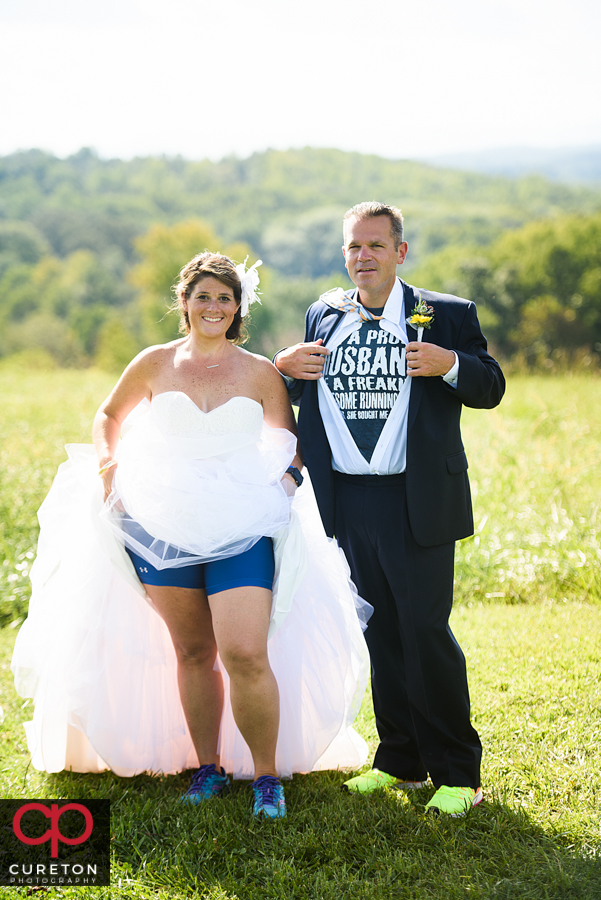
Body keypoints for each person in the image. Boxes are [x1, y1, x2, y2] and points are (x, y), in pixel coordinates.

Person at [12, 252, 370, 820]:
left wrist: (286, 481)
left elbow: (292, 439)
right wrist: (109, 468)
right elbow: (109, 415)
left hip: (242, 524)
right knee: (193, 651)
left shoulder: (258, 372)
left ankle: (267, 777)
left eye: (225, 298)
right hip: (160, 524)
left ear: (238, 308)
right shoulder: (154, 363)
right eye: (203, 296)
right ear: (184, 302)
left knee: (246, 652)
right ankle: (207, 767)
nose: (213, 307)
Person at [274, 202, 505, 816]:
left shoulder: (446, 314)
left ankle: (459, 773)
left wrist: (450, 364)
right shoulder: (324, 313)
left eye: (375, 245)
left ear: (400, 252)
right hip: (346, 501)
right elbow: (301, 391)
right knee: (378, 631)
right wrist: (283, 371)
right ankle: (398, 759)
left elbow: (491, 384)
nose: (362, 256)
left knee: (424, 632)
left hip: (417, 499)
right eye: (353, 247)